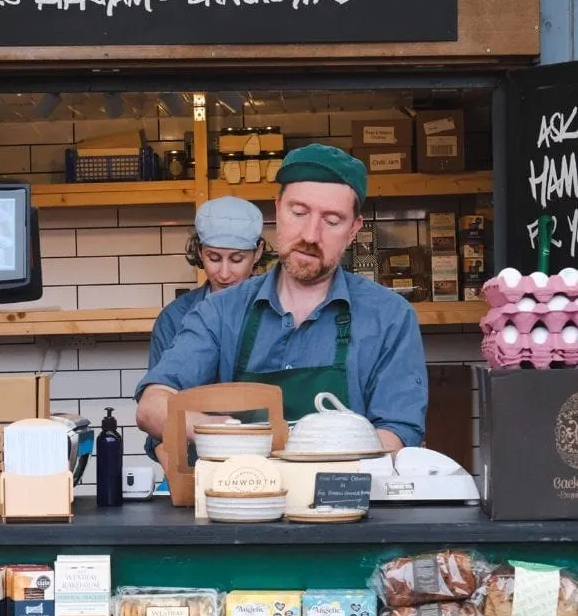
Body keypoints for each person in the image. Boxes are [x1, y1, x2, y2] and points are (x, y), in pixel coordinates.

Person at [136, 143, 428, 454]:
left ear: (354, 229)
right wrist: (224, 431)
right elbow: (152, 406)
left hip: (346, 484)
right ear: (277, 210)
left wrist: (316, 457)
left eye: (332, 221)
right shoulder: (220, 312)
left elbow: (398, 431)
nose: (311, 235)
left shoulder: (389, 316)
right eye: (298, 212)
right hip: (244, 485)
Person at [145, 196, 265, 464]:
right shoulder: (174, 318)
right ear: (200, 252)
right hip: (193, 461)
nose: (224, 273)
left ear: (257, 253)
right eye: (214, 258)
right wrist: (183, 480)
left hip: (264, 459)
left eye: (237, 259)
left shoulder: (273, 313)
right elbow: (157, 423)